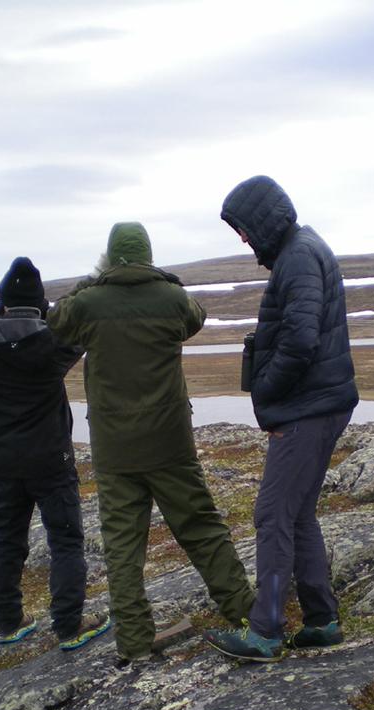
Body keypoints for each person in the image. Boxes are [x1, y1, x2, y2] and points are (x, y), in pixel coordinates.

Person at [49, 223, 254, 667]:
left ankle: (135, 642)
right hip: (169, 440)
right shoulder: (171, 299)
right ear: (147, 254)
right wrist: (162, 281)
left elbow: (57, 318)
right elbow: (194, 317)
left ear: (109, 258)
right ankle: (245, 613)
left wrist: (94, 281)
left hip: (114, 447)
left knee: (122, 547)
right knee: (200, 527)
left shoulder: (88, 303)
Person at [204, 176, 359, 662]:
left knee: (272, 515)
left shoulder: (297, 257)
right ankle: (321, 620)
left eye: (245, 229)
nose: (245, 239)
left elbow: (299, 341)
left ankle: (265, 632)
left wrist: (268, 396)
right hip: (320, 403)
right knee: (298, 512)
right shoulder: (302, 250)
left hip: (308, 408)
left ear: (265, 221)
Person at [0, 257, 107, 650]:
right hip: (51, 460)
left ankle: (9, 622)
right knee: (66, 541)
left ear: (3, 304)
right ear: (39, 306)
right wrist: (44, 311)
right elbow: (75, 331)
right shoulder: (52, 346)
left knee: (6, 539)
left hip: (4, 462)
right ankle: (70, 626)